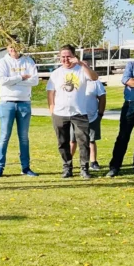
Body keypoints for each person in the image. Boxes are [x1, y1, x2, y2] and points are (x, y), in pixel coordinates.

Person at [46, 45, 99, 179]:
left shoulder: (81, 70)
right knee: (62, 142)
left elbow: (94, 77)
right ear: (59, 57)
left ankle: (84, 168)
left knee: (83, 142)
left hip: (79, 112)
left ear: (74, 56)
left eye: (68, 56)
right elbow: (50, 93)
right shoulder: (56, 73)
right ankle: (67, 168)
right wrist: (52, 110)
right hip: (60, 113)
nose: (66, 59)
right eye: (63, 57)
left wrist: (82, 64)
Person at [0, 43, 39, 178]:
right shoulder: (3, 62)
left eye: (15, 47)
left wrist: (13, 81)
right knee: (4, 136)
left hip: (24, 102)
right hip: (7, 103)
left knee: (24, 137)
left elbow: (35, 80)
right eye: (10, 47)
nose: (13, 50)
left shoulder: (28, 61)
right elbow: (2, 80)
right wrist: (21, 77)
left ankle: (25, 167)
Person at [107, 43, 134, 177]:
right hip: (131, 106)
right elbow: (126, 80)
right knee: (123, 136)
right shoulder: (132, 65)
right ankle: (114, 167)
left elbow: (132, 81)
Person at [70, 79, 106, 171]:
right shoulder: (75, 79)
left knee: (91, 140)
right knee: (73, 140)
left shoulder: (95, 82)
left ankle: (93, 162)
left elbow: (102, 97)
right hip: (75, 116)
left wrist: (100, 113)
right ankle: (68, 162)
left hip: (92, 117)